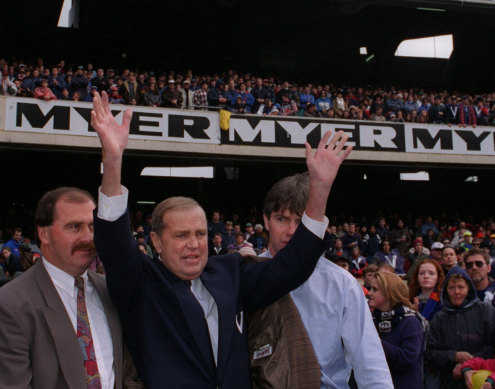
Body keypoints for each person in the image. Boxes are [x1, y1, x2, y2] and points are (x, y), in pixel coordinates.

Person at [90, 90, 352, 389]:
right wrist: (112, 158)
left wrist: (319, 189)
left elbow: (292, 266)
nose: (194, 244)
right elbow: (114, 244)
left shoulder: (230, 273)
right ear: (156, 241)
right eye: (181, 235)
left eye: (200, 234)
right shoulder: (141, 284)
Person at [249, 172, 393, 389]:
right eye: (281, 219)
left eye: (300, 222)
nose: (290, 232)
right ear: (266, 221)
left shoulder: (341, 283)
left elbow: (369, 362)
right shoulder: (246, 276)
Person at [0, 187, 138, 389]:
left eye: (92, 227)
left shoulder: (110, 292)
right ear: (44, 233)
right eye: (74, 227)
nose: (87, 237)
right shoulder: (11, 304)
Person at [425, 266, 495, 389]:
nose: (456, 292)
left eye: (461, 287)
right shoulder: (439, 318)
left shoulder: (485, 311)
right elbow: (430, 353)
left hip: (482, 380)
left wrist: (468, 363)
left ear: (469, 289)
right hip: (449, 383)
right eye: (452, 288)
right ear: (446, 290)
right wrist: (453, 356)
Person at [369, 272, 424, 389]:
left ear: (389, 292)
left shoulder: (411, 322)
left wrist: (375, 343)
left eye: (375, 289)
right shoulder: (370, 321)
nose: (369, 293)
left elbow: (407, 359)